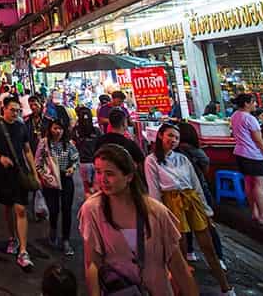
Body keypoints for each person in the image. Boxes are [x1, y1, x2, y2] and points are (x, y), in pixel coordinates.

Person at [79, 144, 198, 296]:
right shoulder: (92, 210)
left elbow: (177, 265)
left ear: (129, 176)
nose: (103, 179)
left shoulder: (157, 212)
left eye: (110, 173)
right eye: (98, 172)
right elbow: (92, 264)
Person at [145, 123, 234, 295]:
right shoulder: (151, 160)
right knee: (180, 252)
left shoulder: (182, 159)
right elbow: (154, 191)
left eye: (176, 138)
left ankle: (226, 288)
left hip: (192, 201)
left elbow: (196, 185)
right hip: (171, 204)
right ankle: (183, 290)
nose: (173, 140)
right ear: (160, 136)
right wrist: (158, 216)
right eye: (170, 136)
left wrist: (207, 211)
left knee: (208, 247)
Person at [0, 95, 39, 270]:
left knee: (21, 208)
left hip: (20, 173)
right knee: (8, 207)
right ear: (4, 109)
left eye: (18, 110)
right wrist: (0, 157)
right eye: (12, 110)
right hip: (3, 173)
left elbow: (28, 151)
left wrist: (34, 171)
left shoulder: (21, 127)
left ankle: (23, 251)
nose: (15, 113)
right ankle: (12, 238)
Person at [176, 122, 226, 266]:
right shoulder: (197, 152)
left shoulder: (178, 152)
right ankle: (218, 258)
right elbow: (205, 166)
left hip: (186, 192)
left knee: (186, 223)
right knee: (206, 224)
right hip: (200, 190)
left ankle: (191, 251)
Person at [35, 118, 79, 256]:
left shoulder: (69, 143)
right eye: (55, 128)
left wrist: (72, 168)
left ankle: (66, 240)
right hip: (51, 180)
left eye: (60, 128)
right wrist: (44, 176)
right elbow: (38, 162)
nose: (58, 131)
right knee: (53, 209)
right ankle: (53, 231)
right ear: (50, 129)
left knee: (67, 210)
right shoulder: (44, 143)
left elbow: (76, 159)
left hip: (66, 178)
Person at [230, 93, 263, 225]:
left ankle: (254, 212)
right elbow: (258, 140)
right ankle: (262, 215)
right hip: (253, 155)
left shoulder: (234, 116)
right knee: (259, 185)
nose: (255, 104)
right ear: (246, 104)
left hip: (240, 153)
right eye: (253, 102)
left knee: (249, 184)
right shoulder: (250, 119)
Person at [73, 106, 102, 196]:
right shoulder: (96, 131)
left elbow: (72, 146)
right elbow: (101, 145)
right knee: (96, 189)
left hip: (83, 163)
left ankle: (89, 207)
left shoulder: (75, 131)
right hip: (96, 163)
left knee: (86, 190)